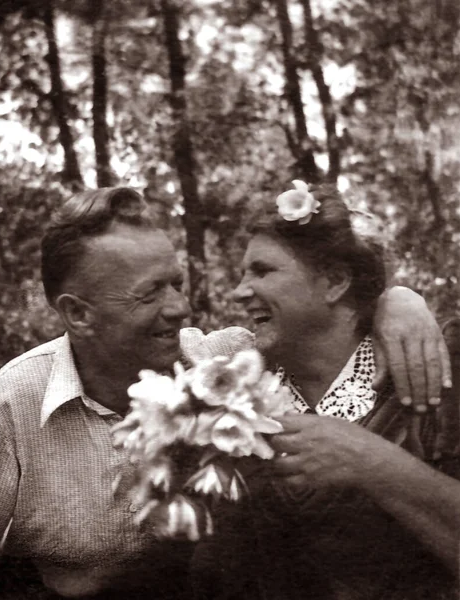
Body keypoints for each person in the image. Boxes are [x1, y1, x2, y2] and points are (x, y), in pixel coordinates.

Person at [0, 187, 450, 599]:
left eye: (176, 282)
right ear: (77, 314)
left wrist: (398, 300)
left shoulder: (223, 363)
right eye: (150, 293)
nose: (182, 307)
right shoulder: (10, 403)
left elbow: (330, 321)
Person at [192, 183, 460, 600]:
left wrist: (369, 460)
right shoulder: (230, 392)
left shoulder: (440, 374)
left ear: (334, 281)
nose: (240, 291)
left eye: (262, 271)